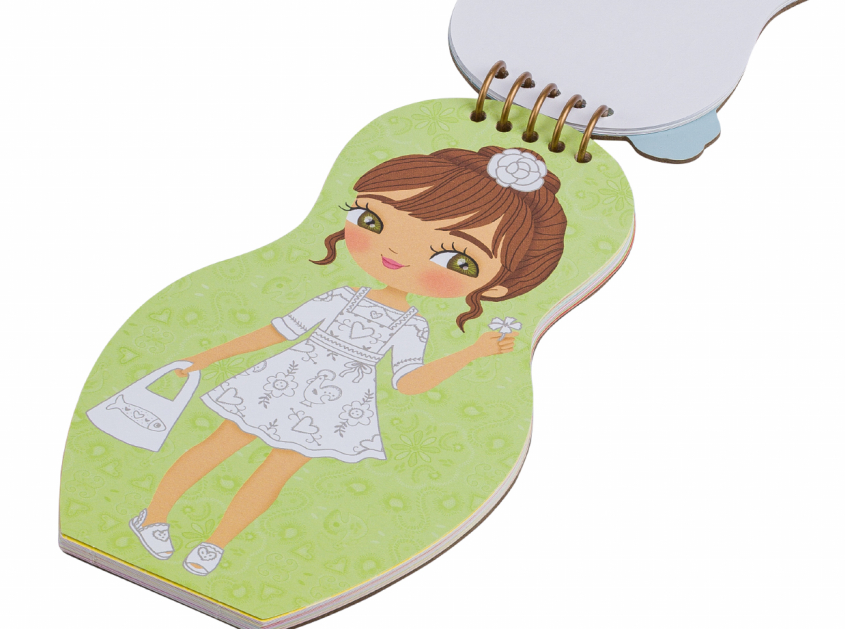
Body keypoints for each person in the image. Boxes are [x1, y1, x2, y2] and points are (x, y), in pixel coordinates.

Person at [127, 146, 567, 576]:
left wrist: (472, 352)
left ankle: (216, 544)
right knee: (219, 446)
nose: (398, 252)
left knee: (274, 473)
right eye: (373, 220)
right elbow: (280, 330)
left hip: (337, 405)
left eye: (456, 260)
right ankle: (153, 517)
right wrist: (206, 357)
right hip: (283, 380)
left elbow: (408, 383)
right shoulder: (341, 298)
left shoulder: (412, 326)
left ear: (496, 287)